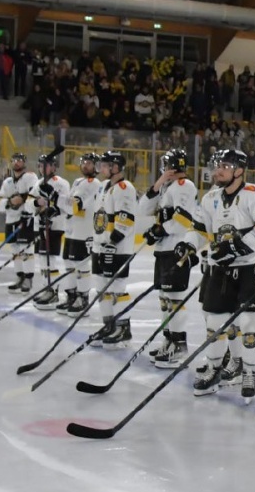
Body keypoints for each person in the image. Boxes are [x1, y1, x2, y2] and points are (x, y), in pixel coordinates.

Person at [192, 148, 255, 396]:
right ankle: (216, 368)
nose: (218, 171)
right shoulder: (210, 198)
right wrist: (187, 245)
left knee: (250, 324)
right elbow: (199, 230)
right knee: (214, 322)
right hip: (221, 270)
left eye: (224, 166)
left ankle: (249, 371)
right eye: (216, 166)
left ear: (239, 170)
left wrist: (234, 247)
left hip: (251, 269)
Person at [141, 148, 204, 367]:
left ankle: (179, 345)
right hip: (164, 249)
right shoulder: (166, 187)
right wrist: (157, 183)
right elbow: (144, 208)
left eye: (167, 164)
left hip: (177, 249)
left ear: (175, 166)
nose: (164, 168)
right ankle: (168, 340)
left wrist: (160, 230)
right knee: (165, 299)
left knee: (175, 299)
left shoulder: (184, 186)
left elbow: (182, 220)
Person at [88, 151, 138, 347]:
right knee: (101, 287)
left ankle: (123, 328)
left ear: (116, 167)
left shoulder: (125, 188)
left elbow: (125, 218)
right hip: (100, 246)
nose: (102, 167)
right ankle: (108, 325)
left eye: (106, 164)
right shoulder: (102, 187)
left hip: (117, 247)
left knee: (117, 287)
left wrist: (113, 240)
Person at [57, 153, 101, 315]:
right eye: (83, 163)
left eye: (89, 163)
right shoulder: (77, 182)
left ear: (96, 166)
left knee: (80, 265)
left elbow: (75, 206)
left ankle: (83, 298)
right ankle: (72, 295)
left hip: (84, 231)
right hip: (71, 230)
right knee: (68, 263)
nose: (85, 166)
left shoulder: (94, 183)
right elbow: (68, 205)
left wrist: (57, 199)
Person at [28, 152, 70, 306]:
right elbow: (28, 203)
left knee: (51, 259)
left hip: (54, 226)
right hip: (39, 225)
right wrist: (37, 204)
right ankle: (46, 287)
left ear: (53, 166)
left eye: (45, 165)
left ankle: (53, 291)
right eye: (40, 165)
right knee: (42, 259)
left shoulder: (61, 183)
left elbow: (65, 204)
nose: (42, 168)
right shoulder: (38, 184)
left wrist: (50, 209)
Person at [0, 153, 38, 293]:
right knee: (15, 250)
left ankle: (28, 278)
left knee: (26, 250)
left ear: (24, 162)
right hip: (11, 219)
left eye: (20, 160)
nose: (17, 163)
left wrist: (22, 198)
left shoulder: (30, 177)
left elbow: (35, 194)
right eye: (14, 160)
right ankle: (20, 277)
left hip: (25, 219)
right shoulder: (7, 182)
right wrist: (9, 202)